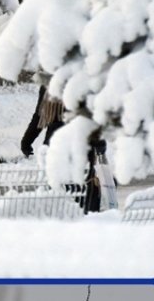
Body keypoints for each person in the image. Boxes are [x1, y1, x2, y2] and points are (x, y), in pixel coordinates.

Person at [20, 85, 104, 213]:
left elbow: (39, 116)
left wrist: (27, 141)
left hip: (57, 145)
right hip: (80, 145)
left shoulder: (50, 83)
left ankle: (67, 220)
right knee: (84, 192)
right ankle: (87, 219)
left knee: (60, 193)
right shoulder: (84, 81)